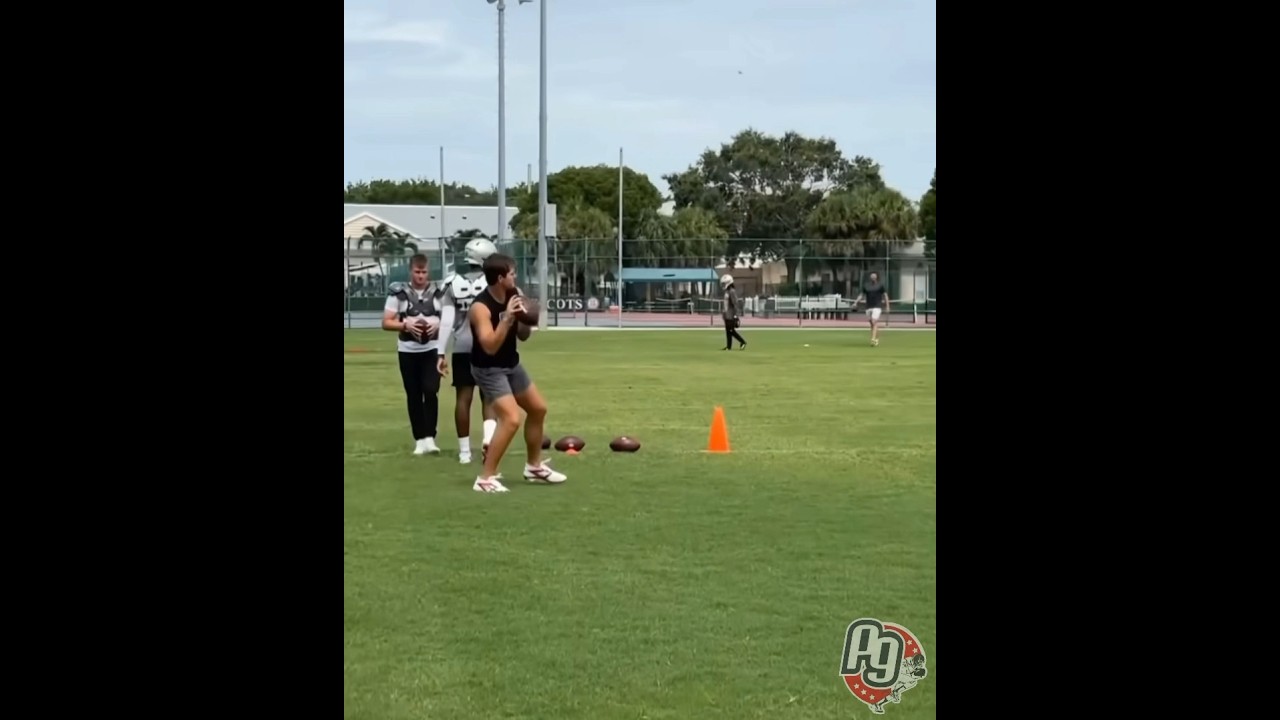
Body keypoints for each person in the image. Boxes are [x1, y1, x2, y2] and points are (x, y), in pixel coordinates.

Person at [466, 253, 566, 493]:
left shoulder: (514, 293)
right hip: (488, 369)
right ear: (500, 278)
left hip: (511, 363)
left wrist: (525, 317)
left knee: (538, 408)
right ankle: (485, 479)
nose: (515, 277)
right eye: (512, 273)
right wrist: (508, 318)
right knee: (511, 419)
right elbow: (489, 346)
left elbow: (522, 336)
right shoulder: (480, 307)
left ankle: (533, 467)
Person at [436, 237, 500, 465]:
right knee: (489, 398)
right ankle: (489, 444)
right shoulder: (493, 283)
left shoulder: (452, 282)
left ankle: (464, 451)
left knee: (463, 398)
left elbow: (446, 321)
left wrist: (440, 353)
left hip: (462, 346)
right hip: (488, 345)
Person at [381, 254, 445, 454]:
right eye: (417, 272)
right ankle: (419, 439)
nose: (420, 276)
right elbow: (386, 322)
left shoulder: (438, 293)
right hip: (407, 350)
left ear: (429, 272)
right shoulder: (398, 293)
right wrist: (405, 324)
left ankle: (430, 437)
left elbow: (449, 319)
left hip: (432, 349)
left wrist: (438, 328)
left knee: (431, 390)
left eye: (424, 272)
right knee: (414, 394)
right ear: (411, 271)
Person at [854, 271, 891, 346]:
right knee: (872, 323)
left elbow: (885, 296)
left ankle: (873, 339)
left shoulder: (880, 285)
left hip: (877, 306)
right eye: (872, 276)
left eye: (874, 276)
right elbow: (861, 295)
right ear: (870, 277)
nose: (873, 277)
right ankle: (877, 338)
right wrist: (856, 302)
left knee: (874, 321)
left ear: (876, 277)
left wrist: (887, 306)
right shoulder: (866, 285)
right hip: (868, 306)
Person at [719, 274, 747, 350]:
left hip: (731, 315)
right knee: (728, 331)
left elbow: (735, 304)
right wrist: (724, 313)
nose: (723, 285)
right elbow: (725, 304)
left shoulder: (732, 291)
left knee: (731, 331)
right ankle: (728, 347)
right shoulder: (727, 292)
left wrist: (736, 315)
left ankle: (743, 342)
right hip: (727, 315)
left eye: (724, 283)